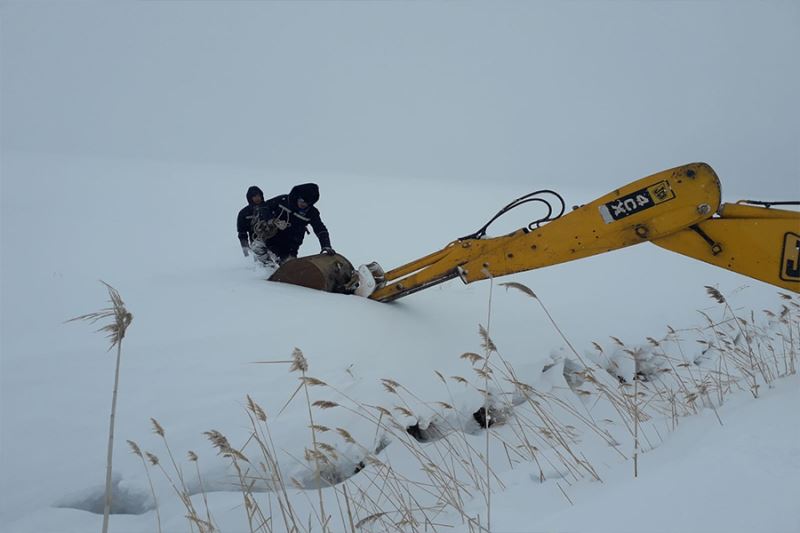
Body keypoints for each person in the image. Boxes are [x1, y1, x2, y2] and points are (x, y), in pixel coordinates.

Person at [250, 183, 334, 265]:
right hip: (271, 236)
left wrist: (326, 245)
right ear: (297, 197)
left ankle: (280, 274)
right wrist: (272, 220)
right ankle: (268, 269)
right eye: (302, 201)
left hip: (290, 245)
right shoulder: (283, 200)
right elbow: (263, 207)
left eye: (307, 203)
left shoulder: (312, 213)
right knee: (256, 247)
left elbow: (320, 229)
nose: (303, 204)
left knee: (288, 266)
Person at [236, 186, 265, 256]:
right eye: (254, 196)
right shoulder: (244, 213)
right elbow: (242, 233)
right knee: (261, 262)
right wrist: (246, 250)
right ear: (250, 198)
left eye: (258, 195)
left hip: (273, 240)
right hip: (256, 242)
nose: (257, 198)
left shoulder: (270, 207)